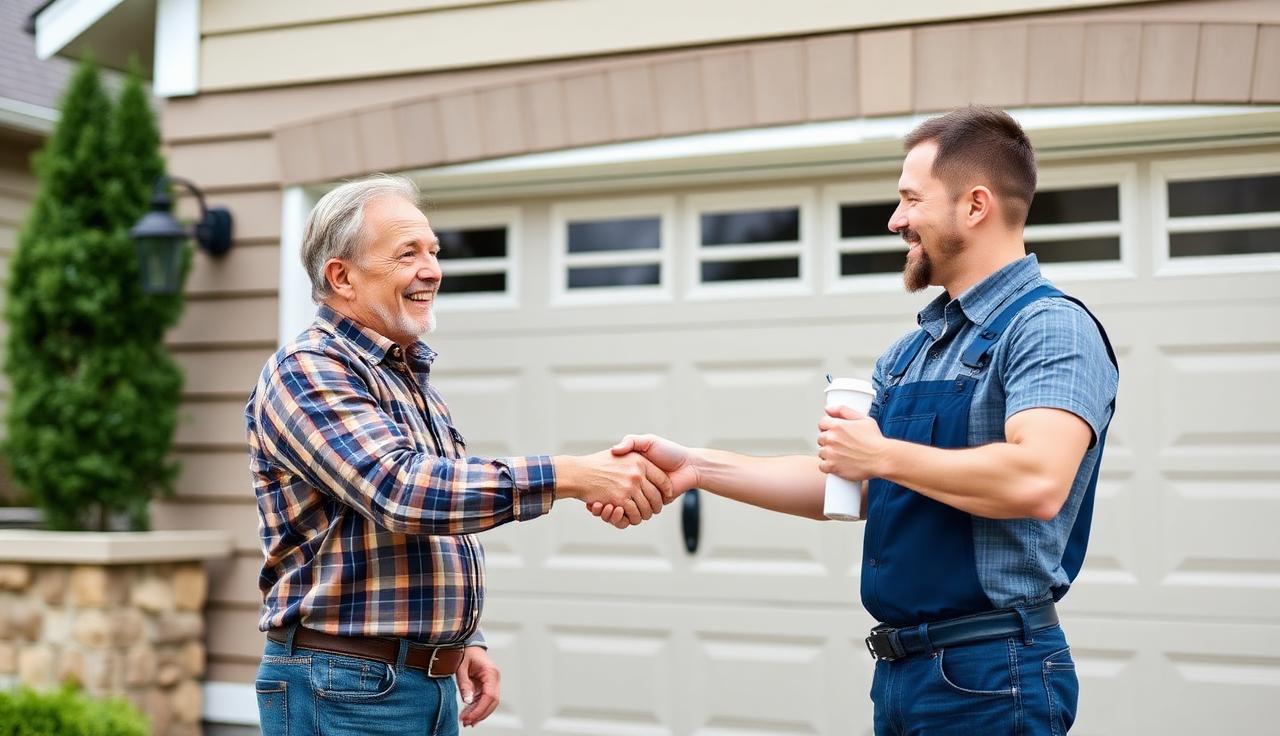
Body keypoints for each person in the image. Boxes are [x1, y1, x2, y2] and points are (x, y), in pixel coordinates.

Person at [592, 107, 1118, 735]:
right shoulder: (913, 350)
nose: (896, 220)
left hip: (992, 674)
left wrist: (883, 455)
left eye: (910, 199)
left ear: (975, 206)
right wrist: (699, 467)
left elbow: (1037, 480)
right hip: (904, 675)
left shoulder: (1050, 328)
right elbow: (852, 487)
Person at [245, 174, 674, 736]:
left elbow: (439, 519)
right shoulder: (308, 370)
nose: (432, 269)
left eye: (433, 252)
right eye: (408, 254)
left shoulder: (407, 378)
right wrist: (572, 475)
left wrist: (462, 639)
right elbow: (401, 490)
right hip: (343, 686)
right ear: (341, 276)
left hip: (419, 683)